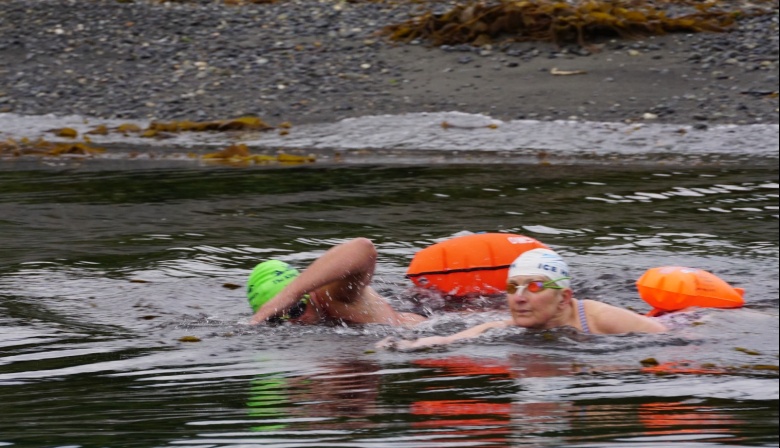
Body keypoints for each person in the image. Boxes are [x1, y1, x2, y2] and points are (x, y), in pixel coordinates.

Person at [378, 248, 667, 350]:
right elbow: (450, 340)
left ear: (564, 298)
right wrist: (406, 344)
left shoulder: (598, 317)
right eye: (513, 287)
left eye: (534, 286)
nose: (518, 298)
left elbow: (666, 338)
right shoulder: (509, 324)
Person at [247, 237, 427, 327]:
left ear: (307, 293)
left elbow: (363, 248)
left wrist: (291, 294)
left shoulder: (333, 295)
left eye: (296, 310)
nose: (294, 322)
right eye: (277, 320)